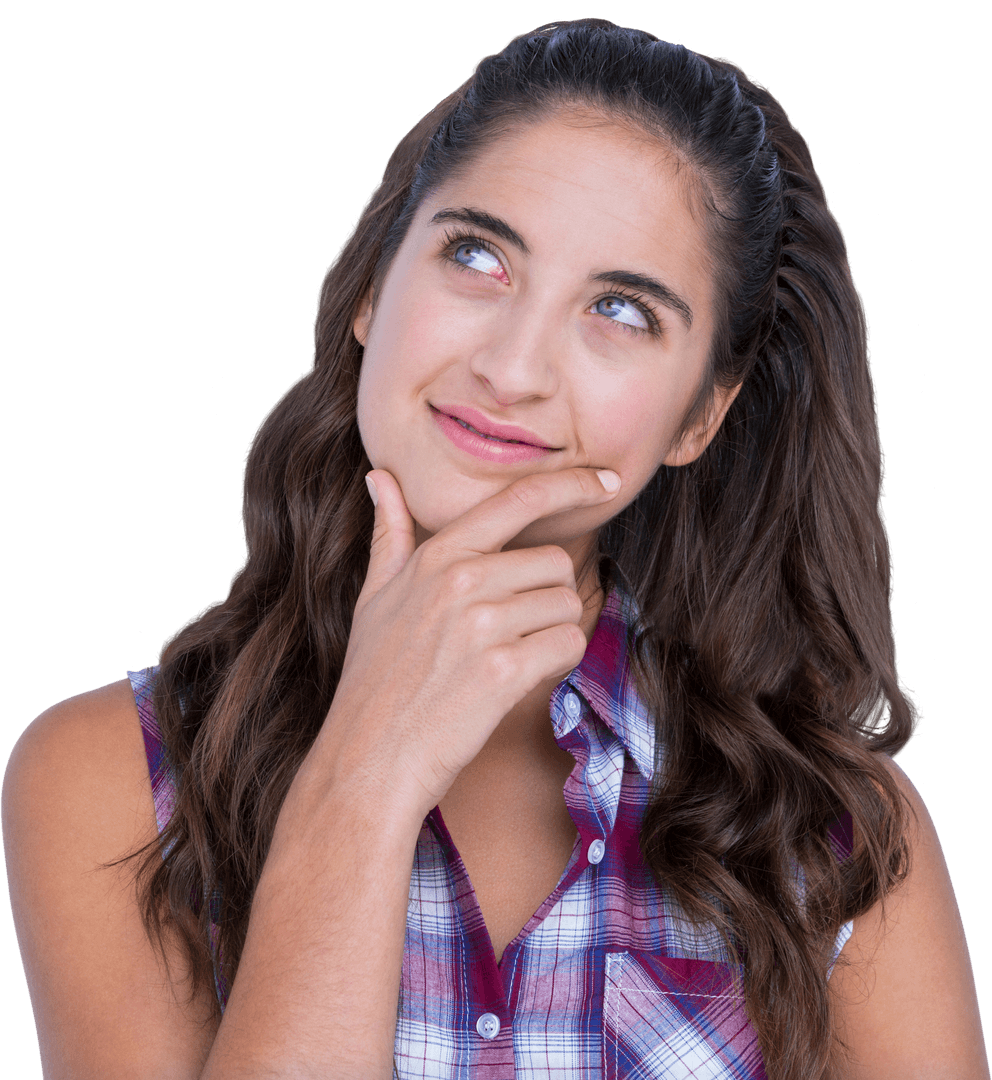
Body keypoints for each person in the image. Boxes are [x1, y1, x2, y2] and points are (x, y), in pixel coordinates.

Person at [2, 17, 987, 1080]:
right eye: (476, 255)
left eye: (619, 309)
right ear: (376, 289)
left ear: (698, 417)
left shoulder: (833, 835)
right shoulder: (111, 778)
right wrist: (365, 780)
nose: (512, 368)